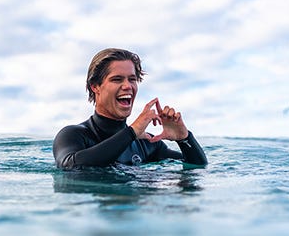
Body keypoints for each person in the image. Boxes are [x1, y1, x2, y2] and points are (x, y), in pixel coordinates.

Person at [53, 48, 207, 169]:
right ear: (95, 87)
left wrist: (184, 138)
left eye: (132, 79)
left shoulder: (147, 143)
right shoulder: (73, 135)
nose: (128, 86)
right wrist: (132, 132)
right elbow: (69, 166)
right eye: (117, 79)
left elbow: (198, 168)